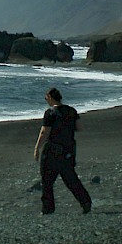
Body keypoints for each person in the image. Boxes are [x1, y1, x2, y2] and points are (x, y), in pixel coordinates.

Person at [33, 87, 92, 215]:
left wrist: (37, 148)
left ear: (50, 97)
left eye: (46, 97)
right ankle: (85, 202)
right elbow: (79, 127)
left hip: (52, 150)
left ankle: (48, 209)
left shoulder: (50, 113)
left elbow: (44, 132)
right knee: (70, 178)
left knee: (47, 180)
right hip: (68, 150)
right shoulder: (71, 111)